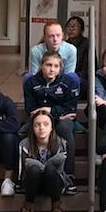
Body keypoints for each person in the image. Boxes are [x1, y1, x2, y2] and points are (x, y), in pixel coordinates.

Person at [24, 51, 79, 193]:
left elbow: (71, 109)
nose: (52, 69)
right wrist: (50, 114)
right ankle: (22, 178)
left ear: (61, 68)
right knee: (21, 132)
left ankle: (69, 178)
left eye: (56, 66)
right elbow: (30, 109)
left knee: (65, 128)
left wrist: (50, 110)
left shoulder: (69, 82)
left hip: (61, 121)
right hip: (38, 119)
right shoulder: (31, 83)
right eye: (48, 65)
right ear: (41, 65)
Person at [14, 110, 69, 212]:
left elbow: (60, 170)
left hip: (53, 183)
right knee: (34, 169)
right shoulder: (25, 144)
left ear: (51, 128)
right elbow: (24, 168)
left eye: (45, 124)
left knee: (49, 169)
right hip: (33, 183)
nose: (41, 128)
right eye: (37, 124)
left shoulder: (61, 143)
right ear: (32, 128)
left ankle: (56, 210)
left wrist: (42, 166)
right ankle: (27, 209)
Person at [64, 16, 90, 83]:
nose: (71, 29)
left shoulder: (87, 44)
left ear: (82, 30)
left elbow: (87, 68)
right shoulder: (64, 45)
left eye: (75, 26)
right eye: (69, 26)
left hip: (82, 79)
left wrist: (74, 77)